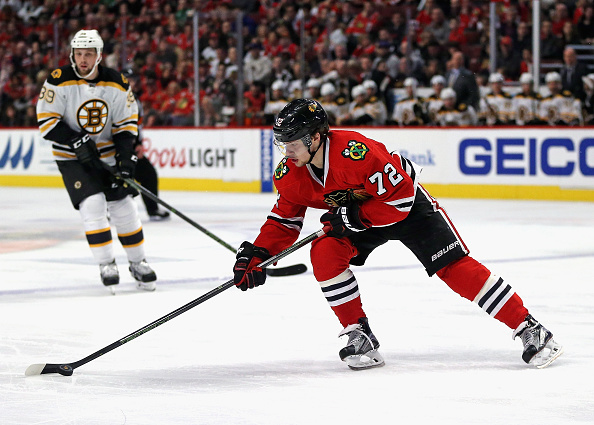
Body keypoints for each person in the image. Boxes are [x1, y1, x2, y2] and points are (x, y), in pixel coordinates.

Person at [232, 99, 563, 370]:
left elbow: (400, 200)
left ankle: (531, 328)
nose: (285, 151)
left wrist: (352, 217)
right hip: (358, 217)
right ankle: (359, 333)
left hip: (404, 207)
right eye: (282, 143)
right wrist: (259, 253)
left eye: (291, 142)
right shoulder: (291, 173)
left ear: (315, 137)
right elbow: (284, 221)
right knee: (323, 252)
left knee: (453, 267)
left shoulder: (355, 152)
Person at [36, 29, 157, 292]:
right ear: (72, 55)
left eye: (88, 54)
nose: (83, 59)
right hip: (71, 157)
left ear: (99, 56)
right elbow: (47, 123)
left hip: (107, 154)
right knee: (93, 204)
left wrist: (126, 160)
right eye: (78, 54)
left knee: (124, 206)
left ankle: (138, 262)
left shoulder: (117, 83)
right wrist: (76, 140)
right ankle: (106, 263)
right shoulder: (58, 81)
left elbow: (126, 126)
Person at [124, 69, 170, 222]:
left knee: (147, 174)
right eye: (130, 79)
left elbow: (137, 125)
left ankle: (153, 209)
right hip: (121, 146)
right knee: (121, 178)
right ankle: (110, 211)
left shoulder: (134, 98)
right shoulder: (118, 98)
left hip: (131, 146)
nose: (134, 83)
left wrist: (138, 143)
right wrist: (132, 144)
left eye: (134, 80)